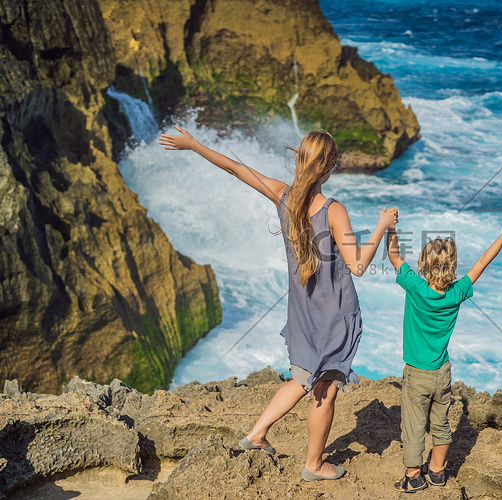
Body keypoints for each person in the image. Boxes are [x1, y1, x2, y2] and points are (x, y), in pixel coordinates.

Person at [158, 126, 398, 481]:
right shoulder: (334, 211)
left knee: (302, 376)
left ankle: (257, 434)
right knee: (325, 389)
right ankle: (314, 466)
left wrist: (194, 144)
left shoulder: (283, 195)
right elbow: (358, 266)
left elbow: (236, 169)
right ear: (330, 168)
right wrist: (382, 225)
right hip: (332, 313)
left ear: (300, 160)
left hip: (301, 309)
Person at [386, 214, 502, 492]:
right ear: (452, 267)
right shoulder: (457, 291)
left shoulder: (415, 287)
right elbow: (483, 262)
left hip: (416, 373)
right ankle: (437, 472)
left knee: (414, 426)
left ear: (423, 265)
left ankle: (414, 476)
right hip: (442, 372)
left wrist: (391, 228)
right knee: (440, 423)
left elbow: (394, 257)